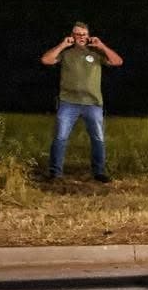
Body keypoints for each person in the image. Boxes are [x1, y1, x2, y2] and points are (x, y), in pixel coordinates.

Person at [40, 21, 123, 181]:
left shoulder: (96, 54)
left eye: (84, 34)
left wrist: (101, 46)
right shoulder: (66, 53)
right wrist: (63, 45)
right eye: (78, 34)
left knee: (98, 139)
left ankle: (99, 172)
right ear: (72, 36)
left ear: (88, 36)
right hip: (68, 102)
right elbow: (46, 60)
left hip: (93, 103)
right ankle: (55, 173)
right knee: (60, 137)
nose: (81, 37)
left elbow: (117, 62)